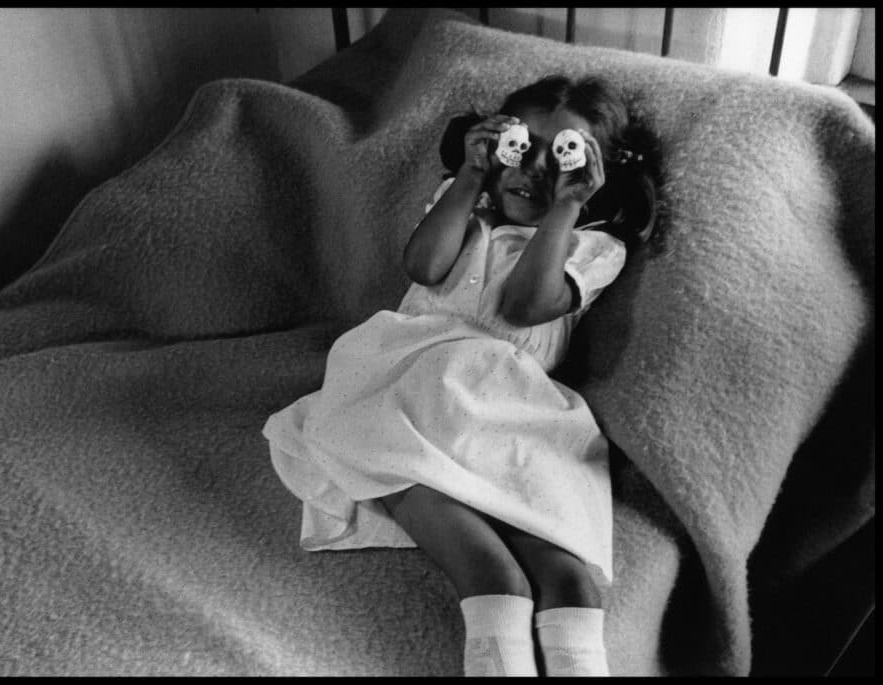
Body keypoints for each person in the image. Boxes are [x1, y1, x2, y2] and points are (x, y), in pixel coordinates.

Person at [262, 74, 660, 677]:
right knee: (494, 574)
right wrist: (470, 177)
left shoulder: (590, 245)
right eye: (523, 150)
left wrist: (567, 207)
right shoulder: (463, 211)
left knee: (569, 578)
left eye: (563, 157)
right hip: (410, 385)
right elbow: (423, 264)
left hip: (512, 410)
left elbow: (525, 306)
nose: (535, 172)